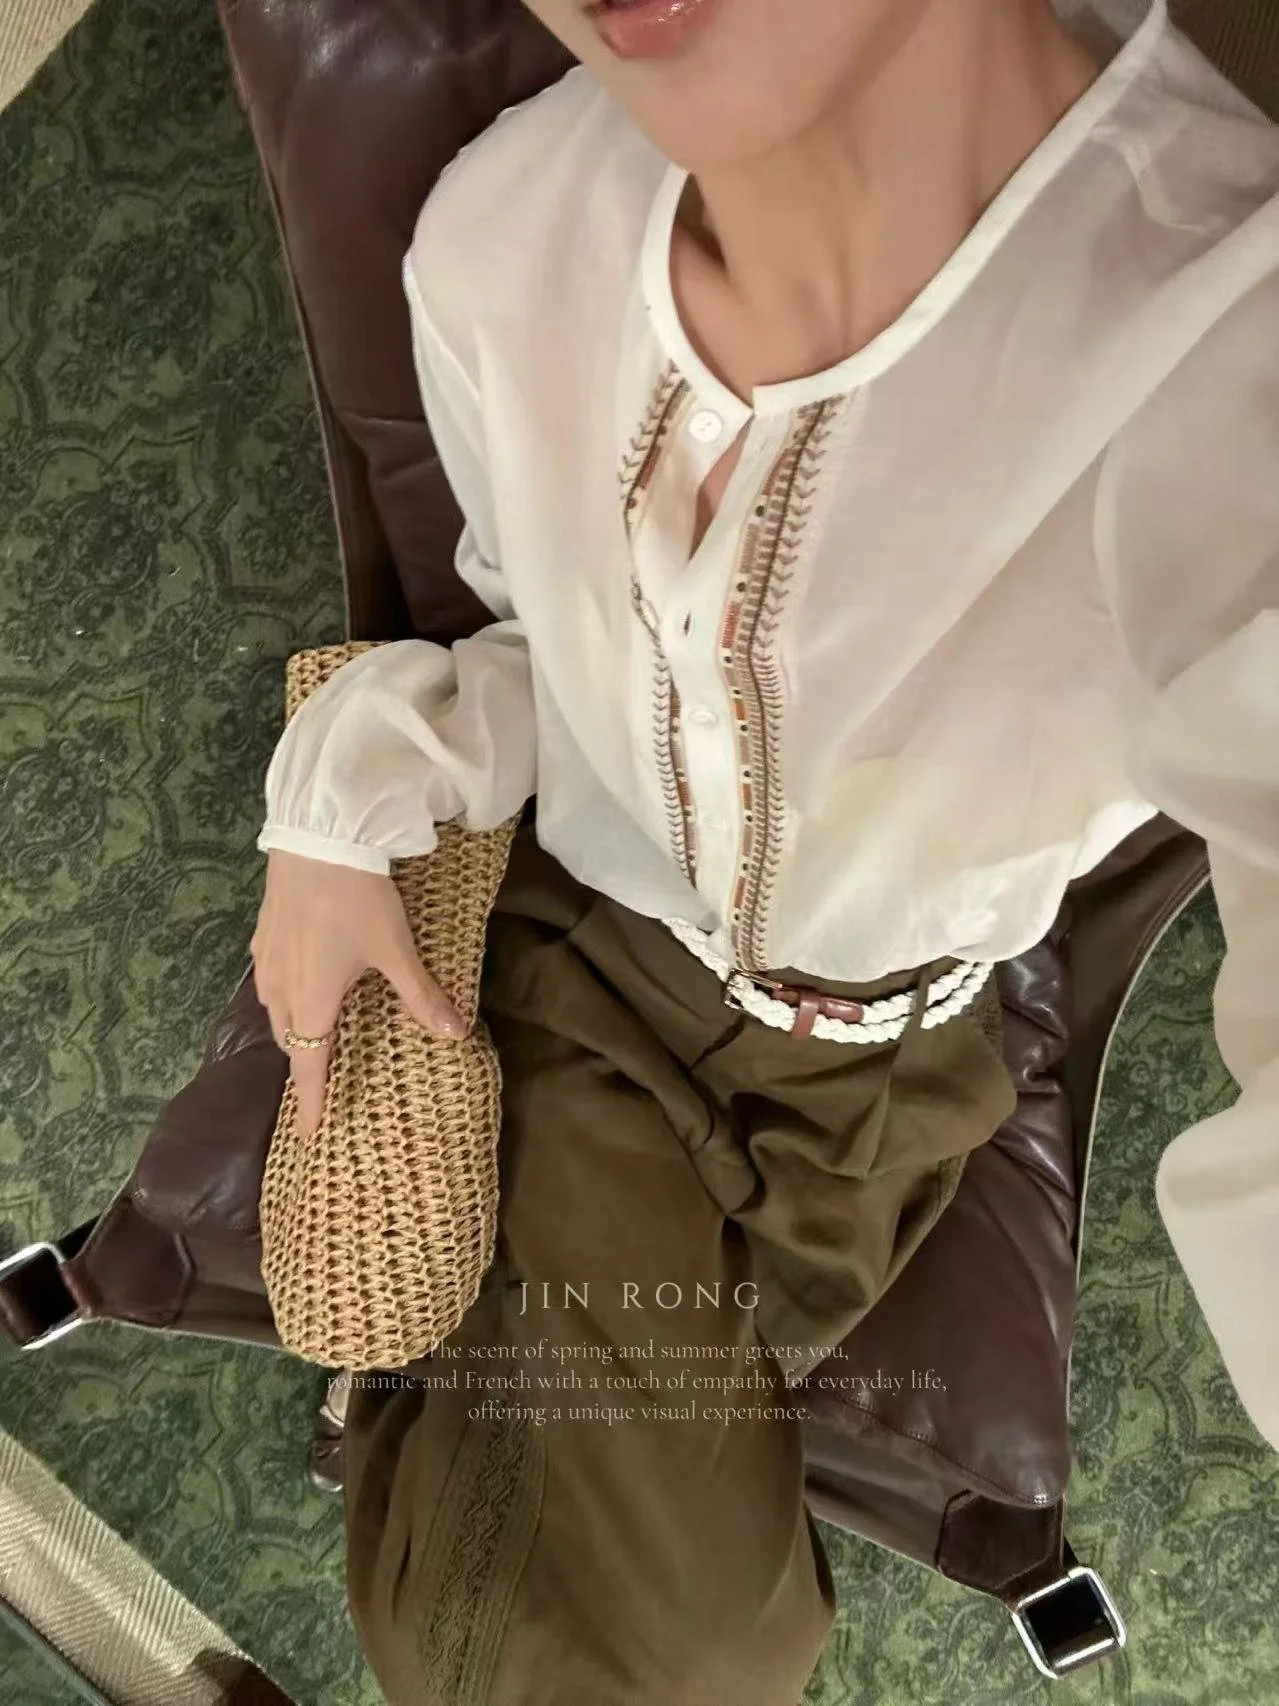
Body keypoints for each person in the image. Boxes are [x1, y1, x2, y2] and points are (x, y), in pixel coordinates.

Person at [247, 0, 1279, 1698]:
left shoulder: (1229, 338)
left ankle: (404, 1418)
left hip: (896, 1094)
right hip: (587, 990)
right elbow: (537, 658)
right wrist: (336, 805)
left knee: (552, 1546)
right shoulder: (501, 248)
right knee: (701, 1642)